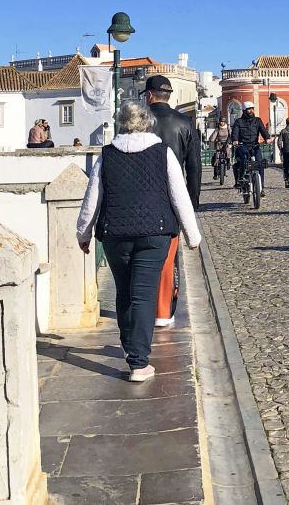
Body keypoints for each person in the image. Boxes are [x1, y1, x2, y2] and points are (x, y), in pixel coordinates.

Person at [76, 101, 201, 382]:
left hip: (115, 234)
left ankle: (132, 350)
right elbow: (179, 195)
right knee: (143, 295)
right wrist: (193, 236)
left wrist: (83, 233)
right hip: (155, 233)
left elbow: (92, 197)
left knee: (124, 293)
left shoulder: (107, 155)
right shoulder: (163, 153)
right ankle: (139, 363)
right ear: (148, 123)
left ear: (122, 123)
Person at [143, 75, 201, 328]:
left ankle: (144, 307)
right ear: (169, 96)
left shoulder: (140, 120)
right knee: (168, 256)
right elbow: (195, 166)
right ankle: (164, 310)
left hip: (142, 194)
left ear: (149, 95)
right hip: (172, 198)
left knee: (141, 255)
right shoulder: (185, 122)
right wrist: (192, 202)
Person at [230, 102, 271, 201]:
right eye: (249, 109)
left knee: (260, 163)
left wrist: (267, 138)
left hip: (255, 146)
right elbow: (235, 132)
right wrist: (235, 140)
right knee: (244, 158)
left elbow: (263, 130)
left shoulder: (257, 120)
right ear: (244, 111)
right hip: (242, 145)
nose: (251, 110)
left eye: (252, 108)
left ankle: (261, 188)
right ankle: (241, 179)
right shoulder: (238, 122)